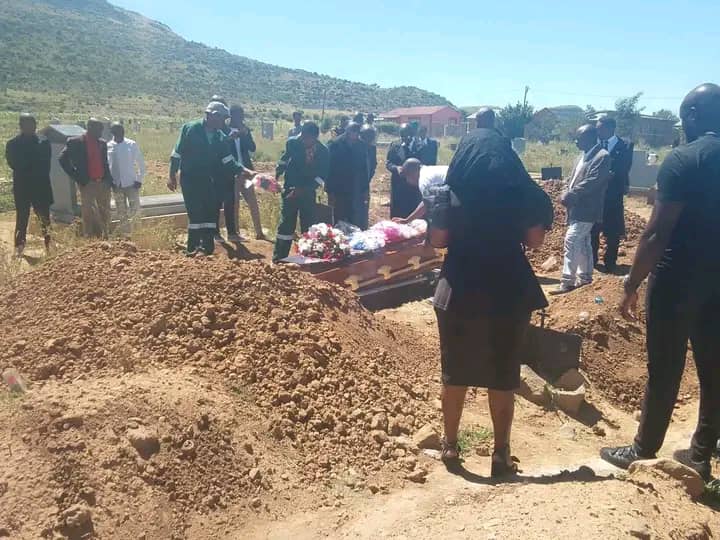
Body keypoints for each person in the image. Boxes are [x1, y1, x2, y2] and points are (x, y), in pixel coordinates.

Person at [600, 83, 720, 481]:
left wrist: (631, 283)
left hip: (676, 278)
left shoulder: (684, 160)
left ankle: (643, 448)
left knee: (665, 366)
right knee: (714, 368)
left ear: (692, 116)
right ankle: (700, 455)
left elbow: (656, 233)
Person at [426, 124, 553, 477]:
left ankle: (450, 446)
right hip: (508, 288)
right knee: (503, 374)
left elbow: (438, 240)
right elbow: (536, 241)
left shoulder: (449, 192)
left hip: (459, 287)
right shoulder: (522, 193)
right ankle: (500, 454)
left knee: (454, 371)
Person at [169, 101, 254, 255]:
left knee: (209, 212)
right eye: (223, 118)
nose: (224, 122)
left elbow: (227, 159)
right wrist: (172, 175)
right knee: (195, 213)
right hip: (190, 179)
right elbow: (177, 153)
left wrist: (243, 170)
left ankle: (207, 248)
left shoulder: (219, 136)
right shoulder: (191, 129)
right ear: (213, 116)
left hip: (208, 179)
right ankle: (193, 248)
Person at [550, 124, 611, 295]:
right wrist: (565, 191)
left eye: (579, 138)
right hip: (575, 208)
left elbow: (593, 180)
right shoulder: (580, 157)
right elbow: (570, 179)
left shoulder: (602, 156)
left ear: (590, 138)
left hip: (587, 208)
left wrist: (572, 194)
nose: (576, 142)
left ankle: (567, 282)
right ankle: (585, 278)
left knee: (572, 239)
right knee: (583, 242)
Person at [273, 122, 329, 261]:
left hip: (308, 192)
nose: (303, 140)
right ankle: (280, 258)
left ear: (315, 137)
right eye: (302, 136)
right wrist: (277, 174)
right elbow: (284, 160)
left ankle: (308, 257)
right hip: (290, 190)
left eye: (307, 138)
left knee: (308, 225)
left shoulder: (323, 152)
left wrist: (305, 189)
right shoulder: (293, 143)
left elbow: (321, 177)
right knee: (286, 224)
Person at [5, 114, 53, 256]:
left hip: (41, 186)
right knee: (22, 217)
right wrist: (32, 165)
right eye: (27, 125)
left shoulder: (43, 143)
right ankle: (19, 247)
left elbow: (46, 164)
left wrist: (33, 168)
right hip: (23, 187)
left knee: (44, 217)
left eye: (33, 125)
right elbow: (14, 164)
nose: (31, 128)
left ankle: (49, 246)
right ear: (21, 126)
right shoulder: (13, 144)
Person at [591, 116, 634, 273]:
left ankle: (610, 262)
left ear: (610, 129)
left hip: (614, 194)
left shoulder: (625, 146)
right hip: (595, 194)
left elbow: (624, 167)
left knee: (613, 230)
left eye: (600, 128)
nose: (597, 131)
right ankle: (592, 261)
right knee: (593, 229)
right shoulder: (594, 144)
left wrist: (608, 176)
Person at [59, 118, 113, 238]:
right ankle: (88, 237)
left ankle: (106, 235)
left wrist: (108, 180)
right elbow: (62, 159)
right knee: (88, 212)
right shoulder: (75, 142)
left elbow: (105, 163)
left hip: (103, 182)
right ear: (90, 128)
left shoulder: (102, 143)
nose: (101, 132)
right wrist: (76, 176)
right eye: (99, 130)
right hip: (87, 183)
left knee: (105, 211)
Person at [222, 105, 265, 242]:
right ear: (232, 116)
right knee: (235, 203)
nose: (241, 118)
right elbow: (222, 149)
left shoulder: (245, 130)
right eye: (238, 116)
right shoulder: (224, 130)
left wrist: (245, 135)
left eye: (242, 116)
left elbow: (252, 148)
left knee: (252, 201)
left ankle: (259, 232)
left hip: (246, 173)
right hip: (233, 173)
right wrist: (231, 137)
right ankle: (235, 232)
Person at [326, 123, 370, 229]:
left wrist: (365, 189)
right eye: (353, 132)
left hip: (356, 189)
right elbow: (329, 169)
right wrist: (330, 191)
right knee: (338, 219)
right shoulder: (335, 144)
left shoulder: (362, 145)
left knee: (355, 220)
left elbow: (364, 170)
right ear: (347, 131)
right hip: (339, 189)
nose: (355, 135)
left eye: (357, 133)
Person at [107, 122, 145, 235]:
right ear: (113, 132)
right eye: (118, 131)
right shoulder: (108, 146)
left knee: (135, 209)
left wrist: (139, 179)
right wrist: (110, 181)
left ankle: (137, 233)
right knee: (121, 211)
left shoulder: (131, 144)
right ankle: (126, 234)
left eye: (122, 130)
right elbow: (107, 165)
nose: (121, 133)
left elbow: (141, 163)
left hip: (131, 183)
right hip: (116, 185)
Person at [392, 158, 448, 223]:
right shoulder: (429, 170)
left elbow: (426, 204)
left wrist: (407, 220)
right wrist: (408, 219)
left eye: (406, 178)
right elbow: (425, 202)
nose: (407, 181)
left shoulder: (424, 180)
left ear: (411, 174)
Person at [386, 123, 420, 218]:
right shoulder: (394, 145)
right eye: (402, 136)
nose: (404, 138)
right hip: (398, 184)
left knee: (412, 210)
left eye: (407, 136)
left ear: (412, 134)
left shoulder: (419, 145)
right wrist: (396, 168)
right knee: (397, 211)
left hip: (414, 185)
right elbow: (389, 163)